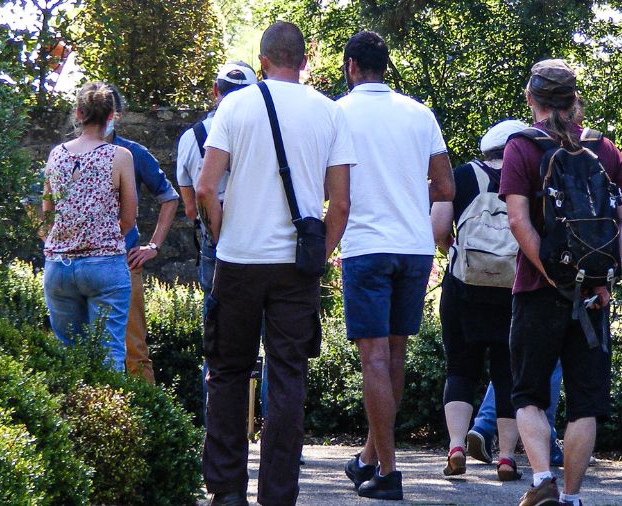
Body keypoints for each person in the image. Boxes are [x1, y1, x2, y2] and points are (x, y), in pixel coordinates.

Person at [195, 21, 355, 506]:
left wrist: (226, 237)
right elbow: (341, 204)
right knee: (287, 376)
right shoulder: (330, 113)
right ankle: (278, 494)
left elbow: (204, 187)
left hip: (239, 261)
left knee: (227, 371)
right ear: (305, 62)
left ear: (261, 60)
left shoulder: (235, 106)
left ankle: (226, 489)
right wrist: (318, 256)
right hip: (295, 267)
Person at [500, 59, 622, 506]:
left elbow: (519, 222)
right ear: (575, 100)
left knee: (527, 392)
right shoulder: (604, 149)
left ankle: (543, 477)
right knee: (585, 401)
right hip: (594, 298)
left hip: (537, 292)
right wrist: (603, 275)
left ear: (531, 99)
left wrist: (553, 274)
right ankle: (573, 496)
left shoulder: (520, 148)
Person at [336, 30, 453, 501]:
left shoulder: (337, 114)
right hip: (414, 246)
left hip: (366, 245)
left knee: (374, 359)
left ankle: (388, 471)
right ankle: (370, 456)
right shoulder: (419, 113)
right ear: (386, 66)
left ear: (350, 66)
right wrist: (406, 194)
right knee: (396, 354)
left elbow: (328, 185)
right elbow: (444, 187)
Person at [432, 119, 526, 482]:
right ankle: (505, 458)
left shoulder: (462, 175)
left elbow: (439, 228)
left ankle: (457, 447)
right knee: (508, 374)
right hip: (513, 290)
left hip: (464, 286)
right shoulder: (529, 180)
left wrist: (452, 251)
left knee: (459, 368)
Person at [176, 61, 259, 417]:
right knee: (268, 338)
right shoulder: (259, 133)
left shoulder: (191, 137)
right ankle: (269, 424)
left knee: (217, 332)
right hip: (257, 235)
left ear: (215, 91)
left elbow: (191, 208)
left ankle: (216, 422)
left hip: (214, 238)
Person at [40, 82, 138, 372]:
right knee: (109, 357)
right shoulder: (120, 156)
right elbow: (129, 219)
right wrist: (101, 239)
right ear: (111, 117)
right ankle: (111, 417)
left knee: (68, 359)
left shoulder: (55, 155)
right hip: (103, 265)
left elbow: (47, 217)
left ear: (79, 113)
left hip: (58, 266)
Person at [107, 87, 181, 384]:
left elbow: (169, 197)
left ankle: (149, 422)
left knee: (134, 349)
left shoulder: (132, 153)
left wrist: (154, 245)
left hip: (126, 262)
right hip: (84, 262)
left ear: (117, 116)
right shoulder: (69, 153)